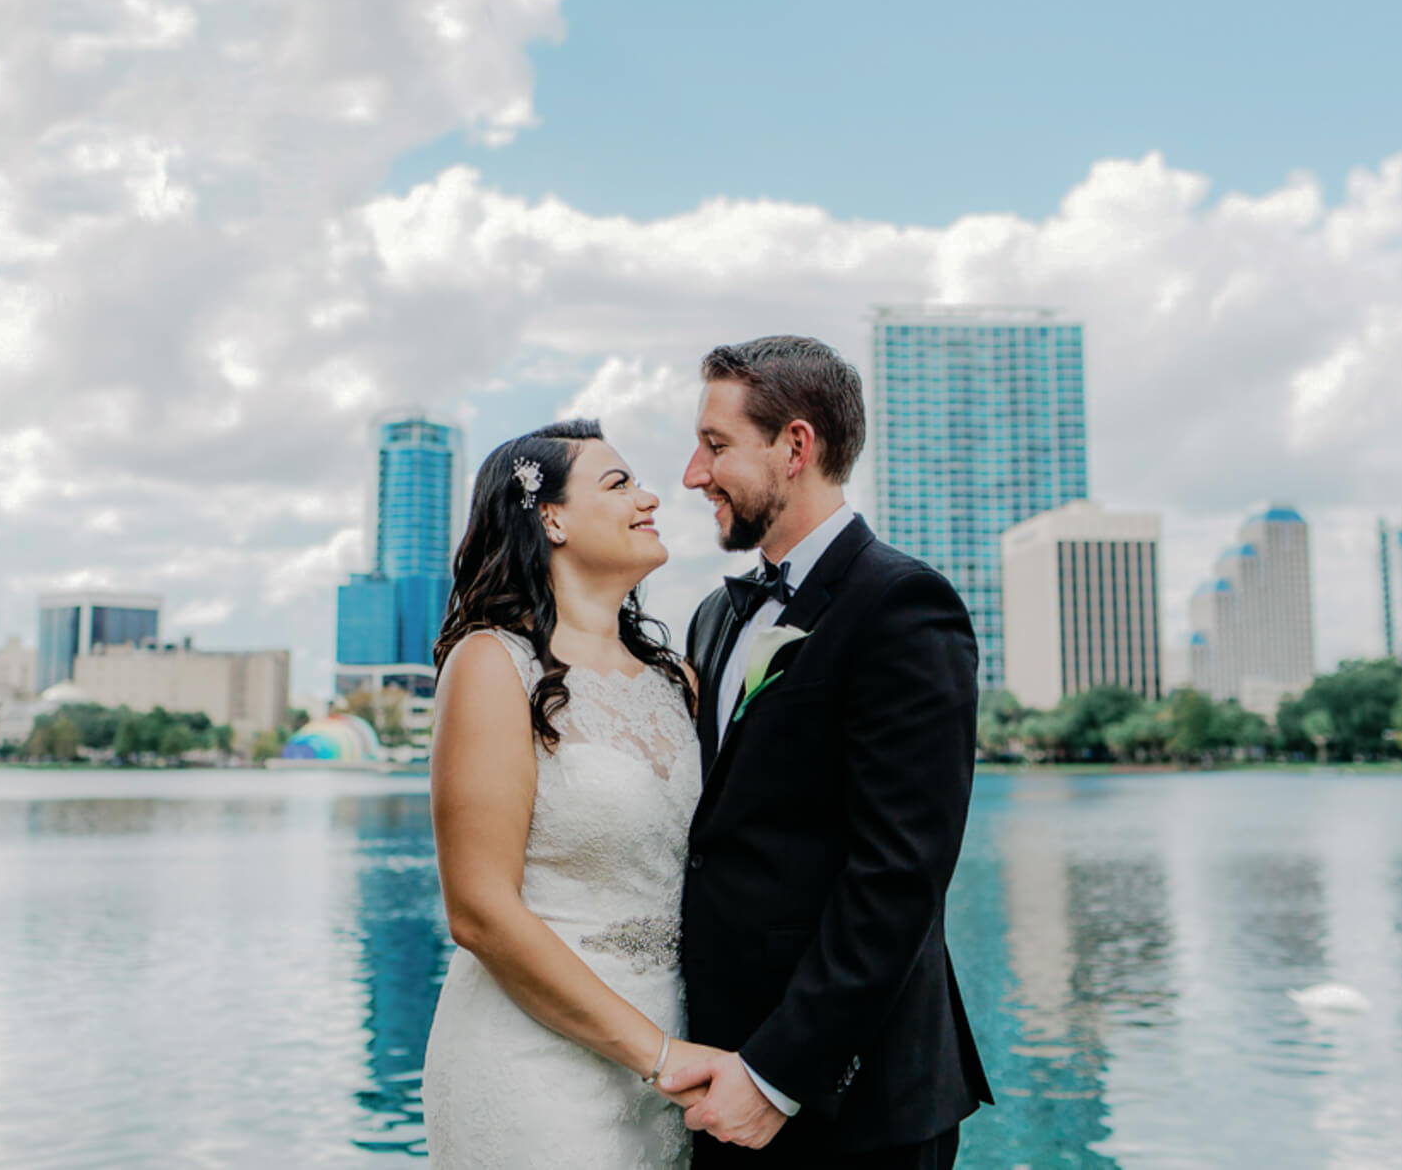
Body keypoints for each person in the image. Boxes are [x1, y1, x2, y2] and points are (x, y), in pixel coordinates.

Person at [659, 336, 993, 1168]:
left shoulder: (904, 606)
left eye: (716, 445)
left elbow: (900, 871)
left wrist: (778, 1073)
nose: (695, 474)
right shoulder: (714, 616)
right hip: (718, 1082)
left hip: (855, 1100)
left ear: (796, 446)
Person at [422, 418, 712, 1169]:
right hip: (534, 1062)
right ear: (550, 518)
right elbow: (479, 911)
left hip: (676, 1056)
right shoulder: (493, 665)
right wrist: (657, 1054)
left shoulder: (677, 681)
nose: (651, 496)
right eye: (619, 483)